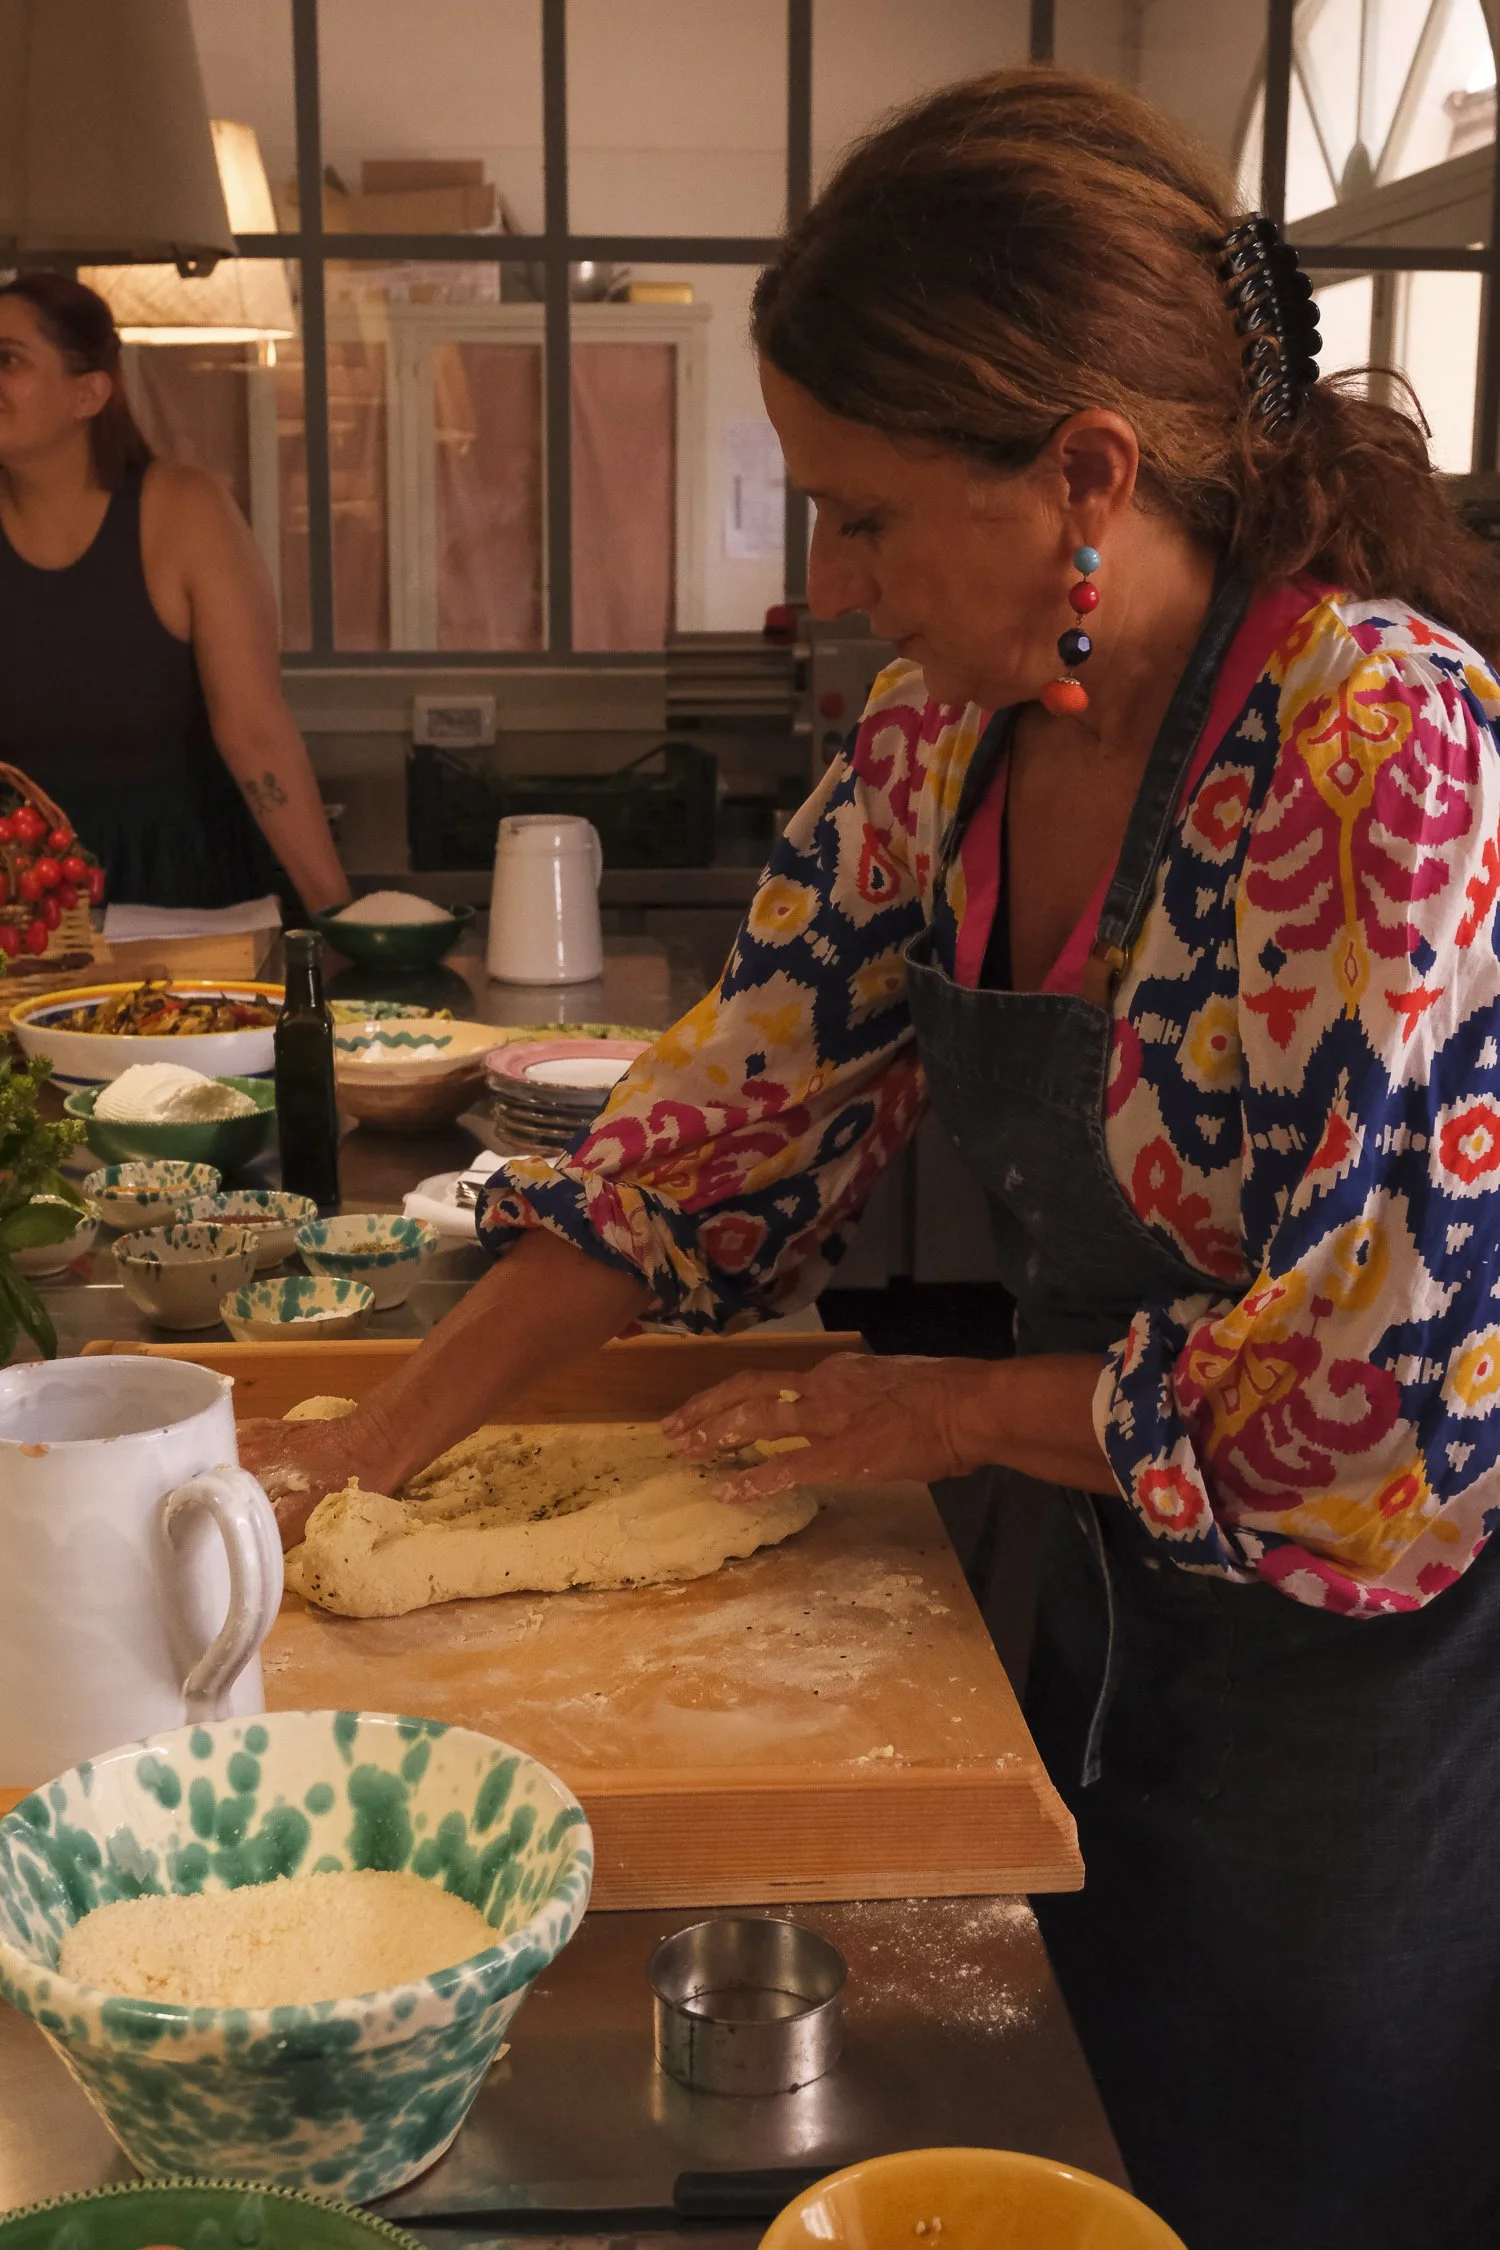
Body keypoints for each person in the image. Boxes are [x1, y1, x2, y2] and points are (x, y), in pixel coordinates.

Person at [241, 69, 1500, 2248]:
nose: (827, 586)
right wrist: (366, 1445)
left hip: (1345, 1704)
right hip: (1084, 1616)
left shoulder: (1377, 757)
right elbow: (708, 1146)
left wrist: (953, 1407)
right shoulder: (944, 743)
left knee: (1279, 2180)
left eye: (863, 515)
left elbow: (1388, 1409)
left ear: (1084, 477)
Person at [0, 271, 348, 913]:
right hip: (25, 908)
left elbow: (254, 731)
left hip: (187, 900)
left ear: (89, 393)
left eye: (8, 359)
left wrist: (338, 917)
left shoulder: (183, 510)